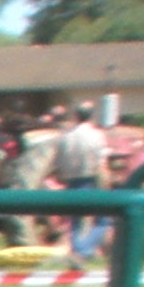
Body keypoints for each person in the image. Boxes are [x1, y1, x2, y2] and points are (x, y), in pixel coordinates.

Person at [51, 102, 111, 257]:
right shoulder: (96, 135)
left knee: (75, 220)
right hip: (90, 180)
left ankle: (78, 248)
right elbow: (101, 160)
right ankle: (84, 249)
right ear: (91, 115)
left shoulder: (65, 137)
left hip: (71, 181)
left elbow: (58, 160)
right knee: (103, 219)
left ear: (76, 116)